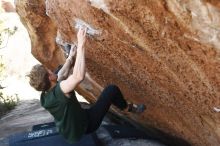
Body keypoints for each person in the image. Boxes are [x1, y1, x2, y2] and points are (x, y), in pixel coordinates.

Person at [27, 27, 128, 143]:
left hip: (70, 128)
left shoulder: (45, 95)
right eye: (49, 71)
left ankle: (70, 56)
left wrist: (70, 57)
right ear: (49, 78)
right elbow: (78, 76)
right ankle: (126, 107)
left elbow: (60, 74)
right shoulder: (60, 92)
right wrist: (81, 45)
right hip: (87, 125)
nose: (50, 69)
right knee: (111, 90)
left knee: (60, 69)